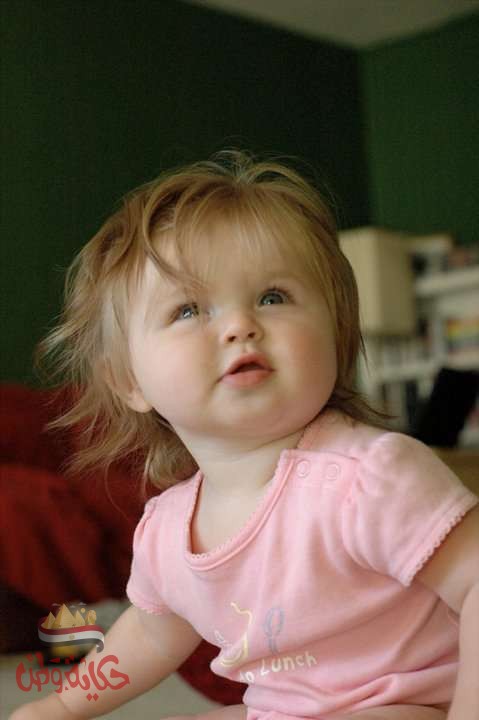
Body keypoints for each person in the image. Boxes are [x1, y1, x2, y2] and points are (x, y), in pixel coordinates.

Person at [11, 151, 478, 720]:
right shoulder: (167, 530)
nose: (240, 325)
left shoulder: (367, 478)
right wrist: (62, 705)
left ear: (334, 335)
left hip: (408, 703)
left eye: (272, 298)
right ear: (130, 382)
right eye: (188, 309)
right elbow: (152, 636)